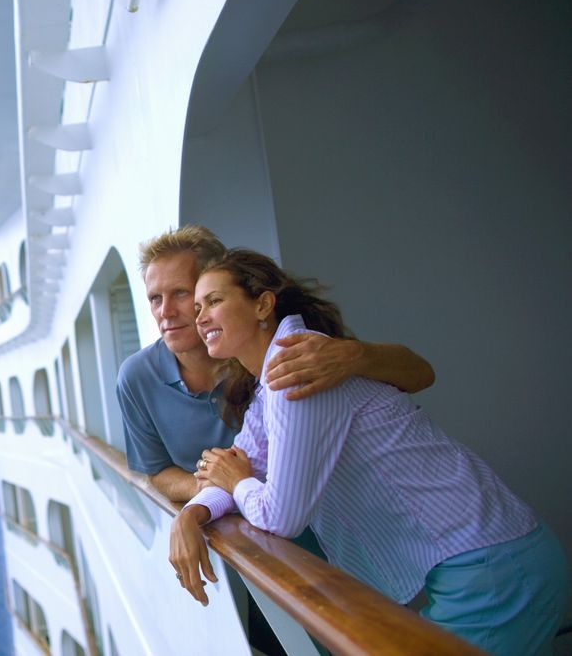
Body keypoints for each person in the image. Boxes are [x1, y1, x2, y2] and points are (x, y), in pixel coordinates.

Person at [169, 248, 569, 655]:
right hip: (490, 564)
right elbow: (237, 464)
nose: (199, 317)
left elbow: (279, 515)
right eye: (198, 306)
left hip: (494, 571)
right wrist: (190, 515)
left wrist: (239, 484)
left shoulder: (297, 368)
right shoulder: (273, 380)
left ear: (263, 304)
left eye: (214, 301)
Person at [117, 225, 435, 502]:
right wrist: (210, 489)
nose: (165, 312)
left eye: (181, 293)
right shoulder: (136, 377)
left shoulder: (275, 350)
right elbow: (155, 470)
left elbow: (421, 375)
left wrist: (355, 355)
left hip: (349, 512)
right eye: (155, 298)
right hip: (250, 534)